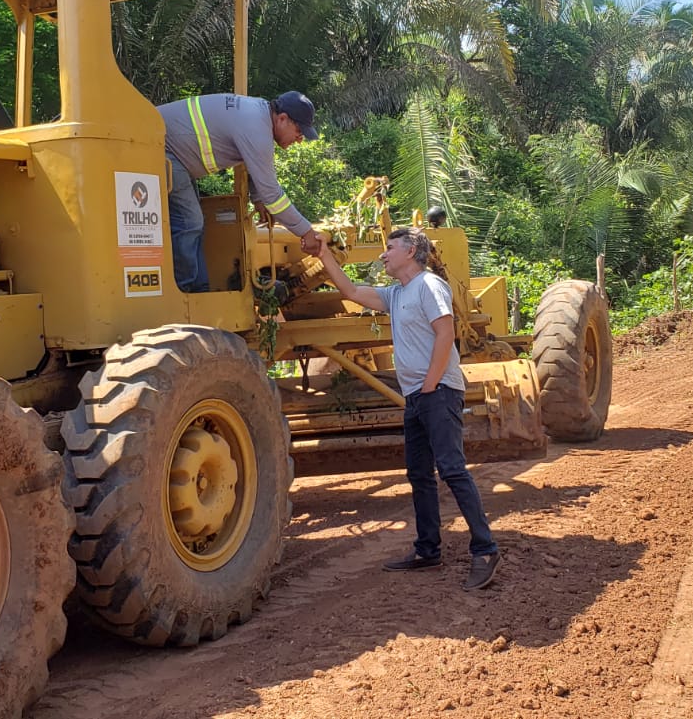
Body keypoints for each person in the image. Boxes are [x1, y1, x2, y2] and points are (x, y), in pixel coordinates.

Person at [316, 227, 501, 589]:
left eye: (390, 247)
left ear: (411, 250)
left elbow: (446, 333)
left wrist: (431, 384)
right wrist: (324, 255)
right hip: (417, 397)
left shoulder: (429, 286)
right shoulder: (396, 293)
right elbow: (351, 292)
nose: (383, 255)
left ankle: (486, 549)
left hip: (438, 392)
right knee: (419, 474)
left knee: (452, 469)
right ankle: (428, 549)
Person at [158, 91, 323, 292]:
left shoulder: (256, 115)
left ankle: (199, 289)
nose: (299, 139)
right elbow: (273, 196)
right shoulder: (256, 129)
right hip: (163, 148)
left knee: (195, 221)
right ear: (282, 119)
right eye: (299, 131)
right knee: (190, 221)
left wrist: (258, 198)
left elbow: (252, 165)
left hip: (175, 153)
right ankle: (185, 292)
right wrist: (306, 232)